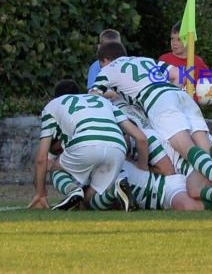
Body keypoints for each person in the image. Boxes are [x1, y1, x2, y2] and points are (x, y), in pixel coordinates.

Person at [90, 42, 212, 195]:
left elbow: (93, 97)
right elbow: (179, 76)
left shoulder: (107, 71)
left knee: (186, 148)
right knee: (206, 147)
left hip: (159, 102)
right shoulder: (145, 60)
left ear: (104, 61)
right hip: (180, 96)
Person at [28, 79, 149, 212]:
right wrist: (142, 170)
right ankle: (115, 188)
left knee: (53, 167)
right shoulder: (103, 101)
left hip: (85, 144)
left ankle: (72, 190)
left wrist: (41, 193)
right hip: (117, 146)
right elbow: (140, 137)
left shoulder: (53, 106)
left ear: (55, 97)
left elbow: (42, 159)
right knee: (88, 202)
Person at [158, 21, 212, 107]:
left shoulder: (196, 61)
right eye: (172, 39)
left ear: (188, 40)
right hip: (170, 107)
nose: (174, 43)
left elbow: (210, 76)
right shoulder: (164, 59)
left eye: (179, 39)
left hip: (191, 108)